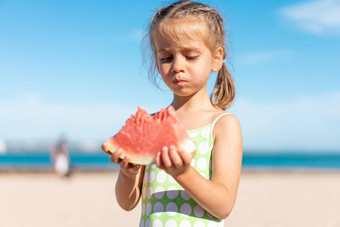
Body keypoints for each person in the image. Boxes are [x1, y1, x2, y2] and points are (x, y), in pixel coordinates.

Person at [104, 1, 243, 226]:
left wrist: (182, 173)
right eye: (166, 58)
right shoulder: (150, 124)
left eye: (190, 56)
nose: (177, 66)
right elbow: (127, 203)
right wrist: (128, 175)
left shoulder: (223, 124)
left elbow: (223, 205)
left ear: (216, 58)